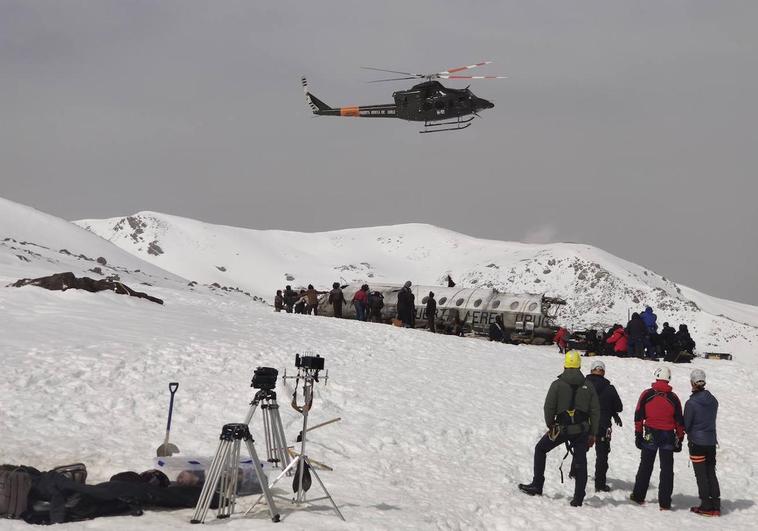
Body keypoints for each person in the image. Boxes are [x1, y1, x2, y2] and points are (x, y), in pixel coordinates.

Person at [518, 351, 600, 507]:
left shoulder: (557, 384)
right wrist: (593, 434)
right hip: (581, 430)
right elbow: (595, 411)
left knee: (540, 449)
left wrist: (551, 425)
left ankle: (537, 484)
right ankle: (578, 497)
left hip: (561, 429)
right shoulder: (588, 385)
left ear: (565, 364)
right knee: (581, 462)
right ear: (579, 365)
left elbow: (548, 407)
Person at [630, 366, 685, 510]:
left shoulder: (647, 394)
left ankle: (638, 496)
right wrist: (680, 439)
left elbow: (638, 415)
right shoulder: (674, 398)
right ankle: (665, 503)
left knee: (645, 466)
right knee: (666, 469)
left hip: (650, 433)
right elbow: (679, 421)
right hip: (667, 435)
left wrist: (638, 434)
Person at [684, 368, 720, 517]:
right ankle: (716, 505)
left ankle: (706, 505)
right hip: (711, 442)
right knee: (711, 472)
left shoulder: (691, 403)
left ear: (692, 382)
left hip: (697, 443)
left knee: (701, 475)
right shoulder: (713, 400)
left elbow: (686, 425)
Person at [584, 360, 623, 492]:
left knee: (581, 449)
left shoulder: (583, 386)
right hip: (603, 424)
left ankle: (575, 472)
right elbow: (619, 407)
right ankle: (600, 484)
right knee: (602, 455)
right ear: (603, 372)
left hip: (585, 423)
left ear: (591, 371)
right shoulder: (609, 388)